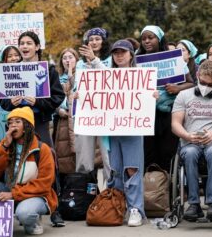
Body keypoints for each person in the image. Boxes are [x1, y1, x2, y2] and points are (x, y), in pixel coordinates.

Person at [0, 107, 58, 235]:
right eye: (10, 122)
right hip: (10, 189)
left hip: (35, 195)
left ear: (27, 126)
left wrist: (14, 194)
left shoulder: (42, 149)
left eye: (17, 122)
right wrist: (4, 146)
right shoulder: (7, 144)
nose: (12, 125)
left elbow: (44, 184)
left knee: (25, 213)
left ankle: (32, 223)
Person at [171, 59, 212, 221]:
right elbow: (175, 124)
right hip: (190, 143)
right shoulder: (183, 95)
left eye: (211, 84)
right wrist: (187, 135)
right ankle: (194, 204)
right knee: (190, 153)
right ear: (198, 75)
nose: (206, 87)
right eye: (203, 82)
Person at [136, 25, 194, 172]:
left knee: (167, 154)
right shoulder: (136, 61)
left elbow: (191, 84)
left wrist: (177, 88)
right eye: (143, 39)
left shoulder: (174, 58)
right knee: (148, 155)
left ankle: (166, 190)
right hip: (146, 115)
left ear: (159, 39)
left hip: (169, 113)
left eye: (151, 38)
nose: (147, 41)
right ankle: (151, 190)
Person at [0, 31, 65, 147]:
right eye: (22, 43)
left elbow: (58, 97)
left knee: (44, 156)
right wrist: (10, 102)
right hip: (17, 122)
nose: (25, 46)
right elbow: (1, 99)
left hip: (40, 122)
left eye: (29, 43)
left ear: (37, 47)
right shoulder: (10, 70)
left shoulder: (48, 70)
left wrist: (37, 102)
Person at [107, 39, 147, 227]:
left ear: (131, 54)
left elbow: (147, 101)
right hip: (112, 129)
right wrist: (81, 97)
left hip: (133, 128)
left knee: (132, 168)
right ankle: (116, 207)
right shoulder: (105, 77)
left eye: (123, 51)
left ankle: (135, 209)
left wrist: (152, 95)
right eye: (116, 52)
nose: (119, 55)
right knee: (114, 169)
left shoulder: (141, 75)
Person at [74, 27, 112, 180]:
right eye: (91, 40)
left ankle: (113, 191)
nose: (94, 42)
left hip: (105, 113)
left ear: (104, 41)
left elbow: (110, 79)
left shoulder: (110, 60)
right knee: (84, 157)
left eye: (97, 39)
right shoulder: (79, 64)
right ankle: (83, 192)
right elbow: (78, 84)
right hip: (86, 112)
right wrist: (75, 92)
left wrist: (95, 60)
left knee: (108, 156)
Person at [53, 48, 78, 174]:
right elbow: (53, 99)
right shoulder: (57, 78)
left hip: (78, 122)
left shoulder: (83, 74)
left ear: (76, 59)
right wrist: (58, 110)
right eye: (65, 58)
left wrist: (71, 76)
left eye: (70, 57)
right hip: (62, 122)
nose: (68, 60)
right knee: (64, 157)